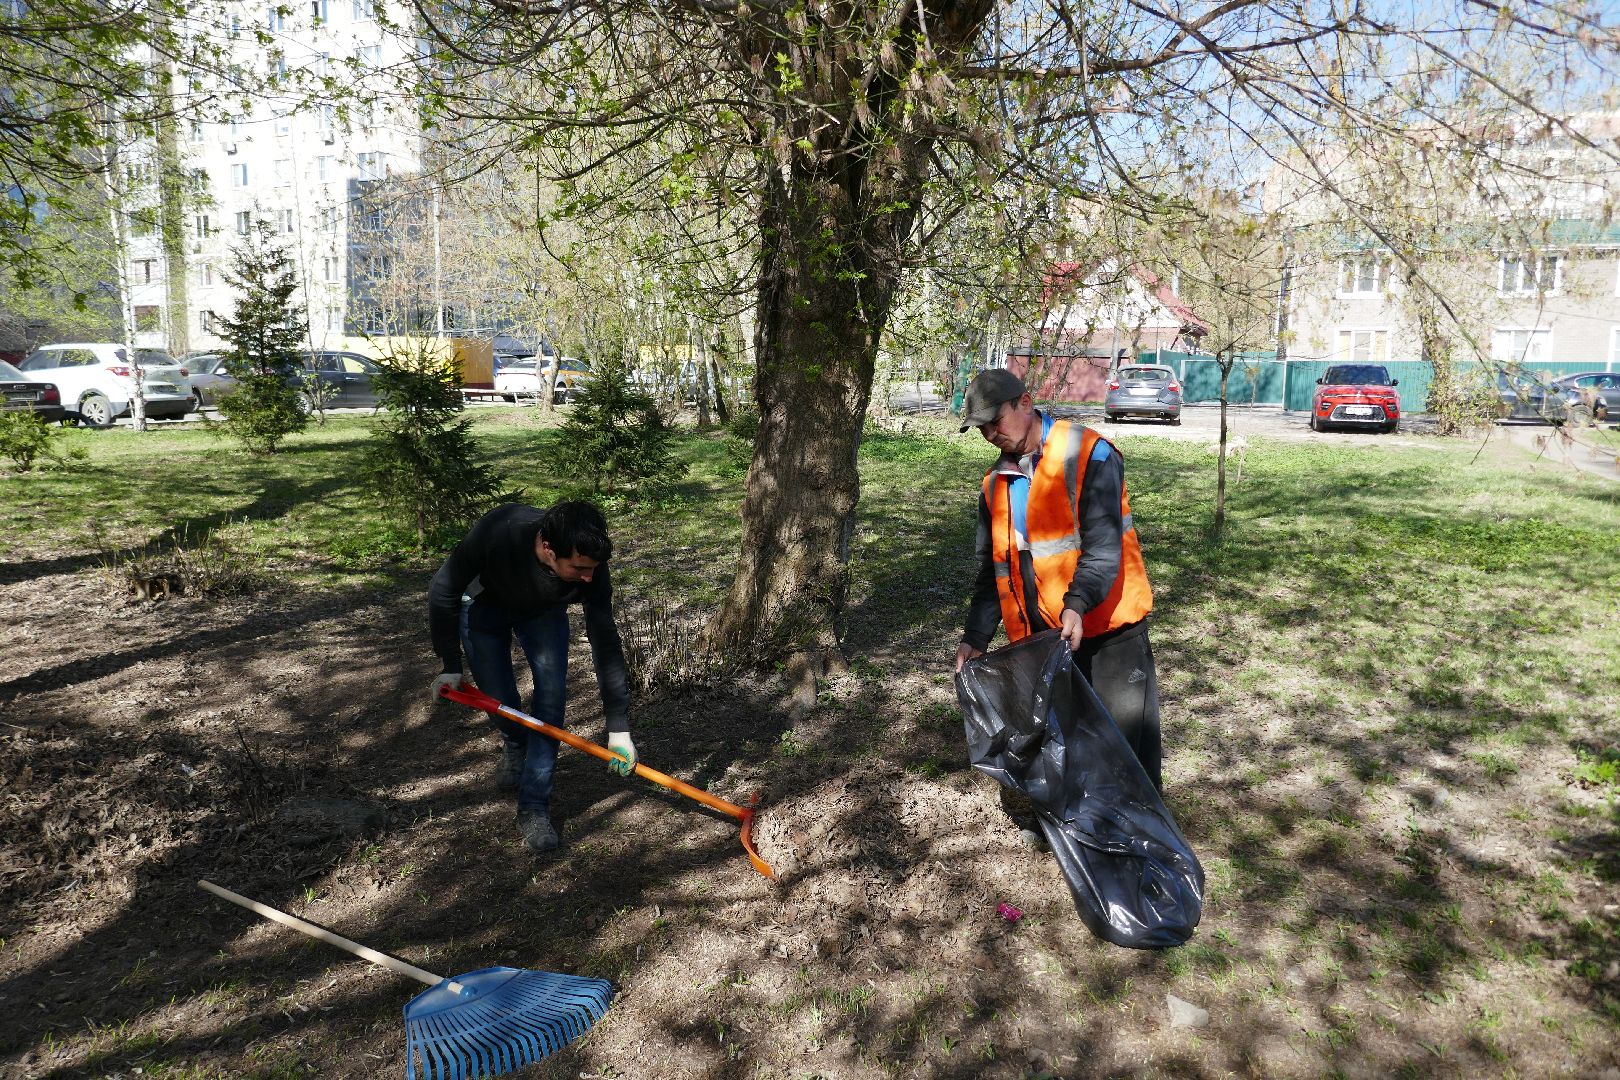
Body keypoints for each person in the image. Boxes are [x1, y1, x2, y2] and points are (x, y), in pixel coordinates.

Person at [954, 369, 1163, 792]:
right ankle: (1082, 839)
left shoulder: (1090, 455)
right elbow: (994, 571)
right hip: (1046, 644)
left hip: (1108, 635)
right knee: (1068, 749)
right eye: (982, 427)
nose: (991, 433)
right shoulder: (994, 487)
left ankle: (1141, 850)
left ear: (1026, 402)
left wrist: (1077, 604)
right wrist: (975, 636)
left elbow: (1104, 548)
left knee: (1126, 756)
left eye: (997, 420)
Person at [428, 500, 635, 853]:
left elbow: (605, 642)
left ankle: (534, 807)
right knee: (500, 701)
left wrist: (618, 729)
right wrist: (450, 665)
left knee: (550, 703)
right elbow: (442, 590)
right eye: (580, 568)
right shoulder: (500, 532)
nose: (589, 577)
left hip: (543, 613)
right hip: (484, 608)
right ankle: (515, 742)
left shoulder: (591, 566)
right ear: (547, 548)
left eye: (594, 569)